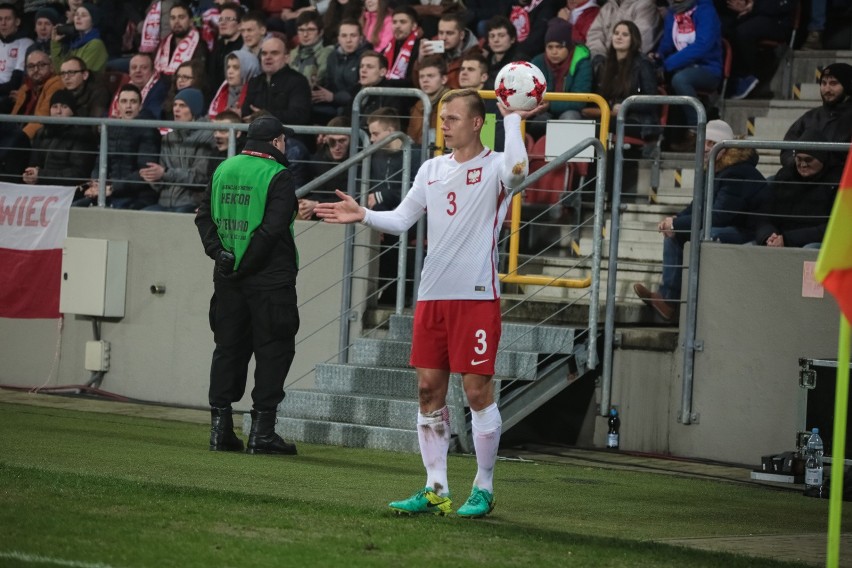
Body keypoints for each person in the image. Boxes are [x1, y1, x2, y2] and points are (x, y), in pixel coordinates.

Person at [314, 89, 544, 518]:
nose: (445, 124)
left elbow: (517, 171)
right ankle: (435, 487)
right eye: (442, 118)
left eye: (454, 118)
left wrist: (513, 119)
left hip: (476, 297)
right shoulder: (431, 168)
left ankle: (484, 487)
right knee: (427, 392)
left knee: (476, 393)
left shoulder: (496, 165)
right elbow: (401, 220)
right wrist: (363, 214)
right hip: (432, 296)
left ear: (478, 123)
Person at [195, 115, 300, 456]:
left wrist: (221, 254)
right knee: (274, 350)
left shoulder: (224, 169)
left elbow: (203, 217)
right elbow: (271, 231)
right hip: (269, 280)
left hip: (227, 278)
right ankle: (262, 433)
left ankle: (220, 430)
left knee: (228, 348)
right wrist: (245, 263)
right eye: (284, 140)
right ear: (276, 142)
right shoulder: (278, 175)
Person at [633, 120, 767, 321]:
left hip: (746, 229)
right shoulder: (715, 168)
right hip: (728, 225)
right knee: (675, 234)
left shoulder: (738, 171)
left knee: (702, 235)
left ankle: (681, 305)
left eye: (712, 143)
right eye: (704, 142)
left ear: (726, 146)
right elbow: (698, 205)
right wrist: (676, 220)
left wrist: (678, 224)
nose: (705, 148)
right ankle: (668, 300)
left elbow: (720, 215)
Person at [74, 84, 162, 209]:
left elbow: (145, 173)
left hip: (137, 195)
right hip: (109, 191)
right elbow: (99, 162)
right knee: (75, 209)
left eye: (133, 102)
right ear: (117, 106)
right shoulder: (109, 129)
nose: (128, 106)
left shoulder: (148, 131)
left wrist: (112, 188)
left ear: (140, 106)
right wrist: (96, 184)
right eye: (124, 101)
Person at [754, 130, 842, 249]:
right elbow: (763, 215)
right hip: (779, 240)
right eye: (799, 159)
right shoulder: (785, 177)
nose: (803, 164)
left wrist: (787, 239)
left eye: (809, 160)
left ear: (822, 159)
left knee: (809, 250)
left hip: (813, 243)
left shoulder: (837, 182)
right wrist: (768, 236)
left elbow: (833, 228)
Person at [653, 0, 723, 148]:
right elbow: (667, 43)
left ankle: (695, 128)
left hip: (708, 69)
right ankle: (661, 137)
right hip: (679, 66)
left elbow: (702, 45)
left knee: (680, 80)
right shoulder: (673, 12)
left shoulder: (706, 10)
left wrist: (668, 64)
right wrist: (658, 56)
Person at [584, 20, 660, 143]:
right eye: (616, 33)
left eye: (625, 35)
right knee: (580, 122)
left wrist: (626, 105)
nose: (619, 37)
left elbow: (652, 101)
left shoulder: (643, 64)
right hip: (610, 116)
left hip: (638, 120)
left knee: (598, 126)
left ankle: (599, 162)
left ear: (633, 39)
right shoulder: (604, 64)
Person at [141, 88, 215, 212]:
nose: (176, 109)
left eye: (182, 105)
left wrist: (165, 173)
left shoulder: (207, 136)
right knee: (142, 216)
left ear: (194, 109)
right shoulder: (169, 137)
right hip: (164, 202)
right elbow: (162, 179)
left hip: (190, 202)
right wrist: (153, 178)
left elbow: (199, 177)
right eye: (175, 105)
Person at [22, 88, 97, 189]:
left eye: (64, 107)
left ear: (72, 111)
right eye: (54, 106)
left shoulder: (83, 134)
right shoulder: (42, 132)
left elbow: (78, 174)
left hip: (67, 191)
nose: (58, 111)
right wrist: (30, 174)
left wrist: (41, 175)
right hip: (40, 188)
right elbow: (33, 163)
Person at [527, 19, 593, 135]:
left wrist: (549, 104)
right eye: (550, 47)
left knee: (570, 118)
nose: (554, 52)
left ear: (568, 46)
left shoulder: (582, 63)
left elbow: (579, 101)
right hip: (543, 111)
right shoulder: (537, 62)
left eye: (559, 47)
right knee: (538, 122)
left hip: (571, 111)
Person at [717, 0, 793, 99]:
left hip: (775, 19)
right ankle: (727, 84)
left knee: (743, 33)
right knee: (721, 27)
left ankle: (753, 79)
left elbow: (785, 5)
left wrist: (753, 6)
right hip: (746, 14)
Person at [780, 63, 852, 168]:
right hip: (803, 176)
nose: (827, 89)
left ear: (848, 87)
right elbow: (787, 148)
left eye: (833, 83)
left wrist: (820, 165)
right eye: (823, 83)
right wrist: (798, 164)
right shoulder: (810, 117)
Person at [242, 36, 312, 126]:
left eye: (274, 53)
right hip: (256, 134)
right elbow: (246, 113)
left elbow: (300, 116)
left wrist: (267, 116)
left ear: (287, 58)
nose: (268, 57)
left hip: (286, 135)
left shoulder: (298, 81)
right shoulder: (254, 81)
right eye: (264, 53)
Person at [312, 19, 372, 123]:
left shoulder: (366, 58)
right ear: (338, 39)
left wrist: (334, 97)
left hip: (353, 106)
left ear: (361, 38)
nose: (348, 40)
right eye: (344, 36)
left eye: (353, 35)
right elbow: (329, 81)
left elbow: (358, 91)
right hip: (334, 103)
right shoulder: (332, 56)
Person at [584, 0, 661, 73]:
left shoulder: (646, 6)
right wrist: (598, 57)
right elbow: (594, 34)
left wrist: (610, 61)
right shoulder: (608, 7)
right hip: (603, 63)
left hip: (628, 67)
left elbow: (638, 40)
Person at [299, 115, 351, 219]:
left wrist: (317, 204)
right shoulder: (317, 160)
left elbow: (356, 198)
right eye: (332, 141)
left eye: (342, 141)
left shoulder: (360, 162)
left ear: (351, 140)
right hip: (319, 212)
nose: (337, 147)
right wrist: (306, 204)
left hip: (346, 213)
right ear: (326, 139)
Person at [415, 10, 479, 90]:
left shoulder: (474, 55)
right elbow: (419, 86)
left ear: (461, 35)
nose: (443, 38)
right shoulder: (435, 52)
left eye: (449, 33)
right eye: (441, 33)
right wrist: (421, 60)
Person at [50, 3, 108, 73]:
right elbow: (59, 70)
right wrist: (55, 43)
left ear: (93, 21)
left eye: (84, 15)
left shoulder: (96, 44)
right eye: (76, 14)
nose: (78, 18)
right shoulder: (76, 43)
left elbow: (79, 74)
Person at [107, 52, 168, 119]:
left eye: (144, 67)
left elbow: (153, 116)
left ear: (152, 71)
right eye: (134, 67)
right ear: (129, 72)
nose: (138, 70)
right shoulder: (126, 87)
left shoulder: (159, 89)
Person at [0, 3, 35, 112]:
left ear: (17, 22)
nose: (3, 23)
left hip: (7, 95)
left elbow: (15, 82)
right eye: (0, 19)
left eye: (8, 19)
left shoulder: (26, 43)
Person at [407, 54, 450, 143]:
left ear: (444, 79)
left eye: (430, 76)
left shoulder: (451, 103)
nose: (425, 80)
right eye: (421, 76)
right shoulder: (418, 105)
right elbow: (412, 137)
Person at [209, 50, 260, 119]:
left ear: (249, 70)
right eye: (228, 67)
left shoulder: (257, 94)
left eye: (235, 67)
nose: (230, 71)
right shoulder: (223, 91)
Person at [289, 11, 334, 87]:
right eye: (301, 30)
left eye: (310, 29)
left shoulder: (327, 53)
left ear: (321, 32)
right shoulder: (293, 53)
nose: (305, 34)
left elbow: (317, 83)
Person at [206, 2, 243, 92]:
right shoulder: (218, 45)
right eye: (221, 19)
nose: (223, 23)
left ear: (239, 25)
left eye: (228, 19)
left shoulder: (243, 48)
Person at [482, 16, 527, 90]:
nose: (496, 40)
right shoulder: (485, 60)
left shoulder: (520, 62)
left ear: (512, 39)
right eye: (492, 36)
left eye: (501, 35)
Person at [382, 5, 420, 84]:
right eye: (394, 22)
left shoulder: (419, 48)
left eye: (402, 22)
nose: (397, 26)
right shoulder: (387, 49)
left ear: (414, 26)